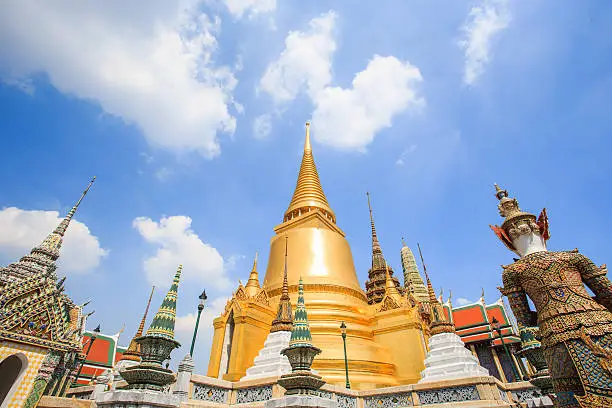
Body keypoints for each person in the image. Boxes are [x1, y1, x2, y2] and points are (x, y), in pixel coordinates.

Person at [491, 185, 612, 408]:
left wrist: (547, 313)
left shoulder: (514, 272)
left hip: (554, 336)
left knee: (569, 399)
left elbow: (524, 320)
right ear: (543, 230)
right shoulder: (573, 258)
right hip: (602, 326)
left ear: (507, 241)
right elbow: (608, 294)